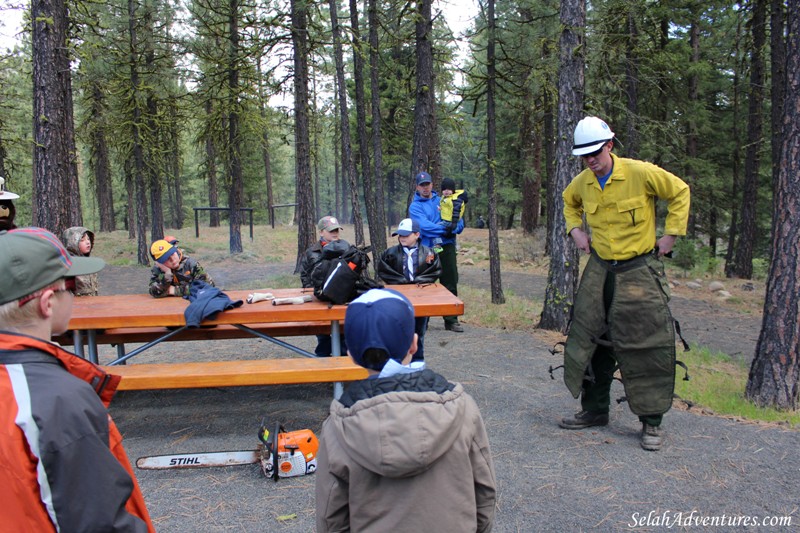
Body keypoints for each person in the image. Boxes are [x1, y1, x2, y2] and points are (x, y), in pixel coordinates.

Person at [0, 227, 155, 532]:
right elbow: (101, 522)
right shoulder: (58, 401)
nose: (75, 291)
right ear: (47, 303)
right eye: (69, 284)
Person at [315, 288, 496, 532]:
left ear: (351, 355)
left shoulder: (338, 427)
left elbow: (331, 517)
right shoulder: (463, 409)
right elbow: (484, 492)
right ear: (414, 343)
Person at [560, 116, 690, 451]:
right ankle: (594, 410)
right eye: (584, 155)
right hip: (601, 270)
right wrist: (575, 229)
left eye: (596, 152)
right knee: (593, 339)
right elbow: (568, 201)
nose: (591, 159)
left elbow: (679, 191)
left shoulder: (639, 172)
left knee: (646, 345)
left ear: (610, 146)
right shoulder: (583, 183)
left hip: (639, 272)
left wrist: (671, 234)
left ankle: (651, 423)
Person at [376, 218, 441, 361]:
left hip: (421, 300)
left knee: (418, 332)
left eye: (406, 235)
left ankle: (417, 362)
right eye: (400, 235)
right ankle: (397, 362)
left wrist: (420, 281)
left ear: (417, 235)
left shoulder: (429, 253)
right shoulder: (390, 253)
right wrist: (401, 282)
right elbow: (383, 270)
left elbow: (435, 270)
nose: (402, 238)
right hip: (398, 299)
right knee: (396, 331)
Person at [409, 171, 465, 332]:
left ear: (432, 184)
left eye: (427, 184)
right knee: (425, 283)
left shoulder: (445, 199)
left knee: (450, 281)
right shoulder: (415, 206)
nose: (425, 188)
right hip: (427, 248)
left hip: (447, 246)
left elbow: (459, 223)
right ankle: (423, 321)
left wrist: (452, 228)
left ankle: (451, 320)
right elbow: (423, 227)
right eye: (422, 185)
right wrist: (446, 229)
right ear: (417, 187)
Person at [300, 215, 347, 356]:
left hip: (341, 297)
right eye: (331, 230)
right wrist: (315, 291)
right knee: (322, 334)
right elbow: (305, 275)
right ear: (321, 232)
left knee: (344, 333)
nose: (335, 233)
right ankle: (324, 362)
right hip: (320, 298)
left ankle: (343, 362)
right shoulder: (311, 252)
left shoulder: (346, 247)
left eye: (337, 230)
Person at [149, 238, 214, 297]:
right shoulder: (158, 269)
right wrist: (167, 276)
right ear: (159, 262)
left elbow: (208, 286)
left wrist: (175, 290)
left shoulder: (190, 263)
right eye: (166, 258)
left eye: (172, 253)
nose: (172, 259)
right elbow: (154, 292)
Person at [62, 226, 99, 296]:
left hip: (92, 303)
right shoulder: (69, 265)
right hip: (76, 304)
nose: (88, 242)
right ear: (72, 243)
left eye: (88, 239)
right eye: (82, 240)